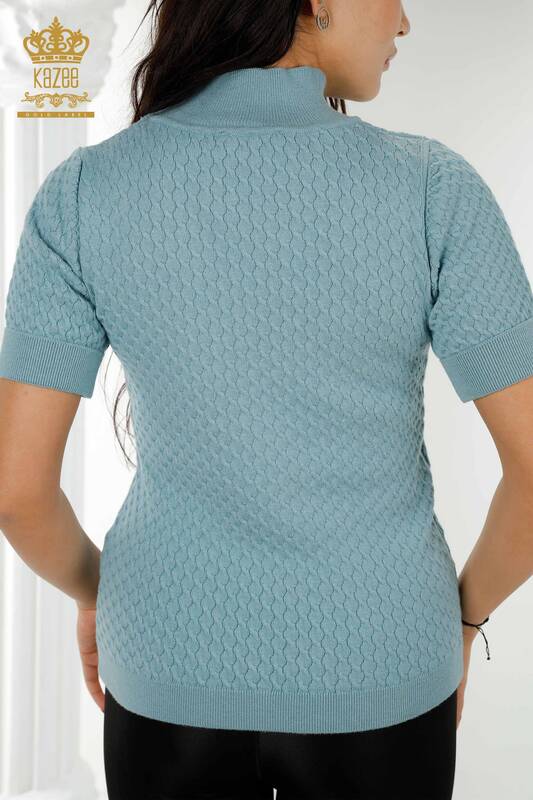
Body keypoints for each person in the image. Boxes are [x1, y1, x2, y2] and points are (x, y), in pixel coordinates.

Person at [0, 0, 532, 798]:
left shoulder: (82, 191)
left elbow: (16, 494)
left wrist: (102, 595)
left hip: (165, 656)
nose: (404, 22)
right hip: (381, 659)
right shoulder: (431, 187)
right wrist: (461, 617)